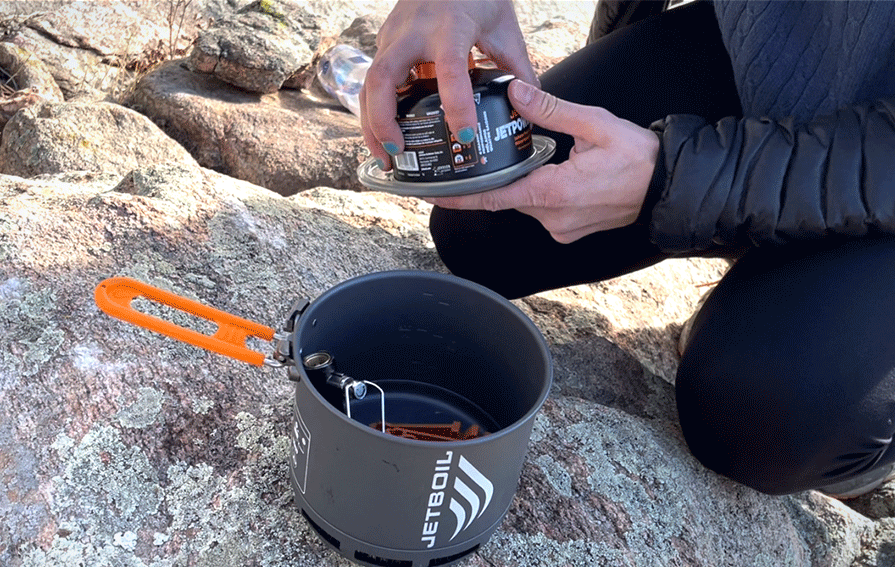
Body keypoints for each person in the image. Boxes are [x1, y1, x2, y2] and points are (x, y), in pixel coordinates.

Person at [359, 0, 895, 498]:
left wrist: (674, 177)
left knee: (766, 418)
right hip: (781, 41)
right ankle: (761, 245)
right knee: (481, 231)